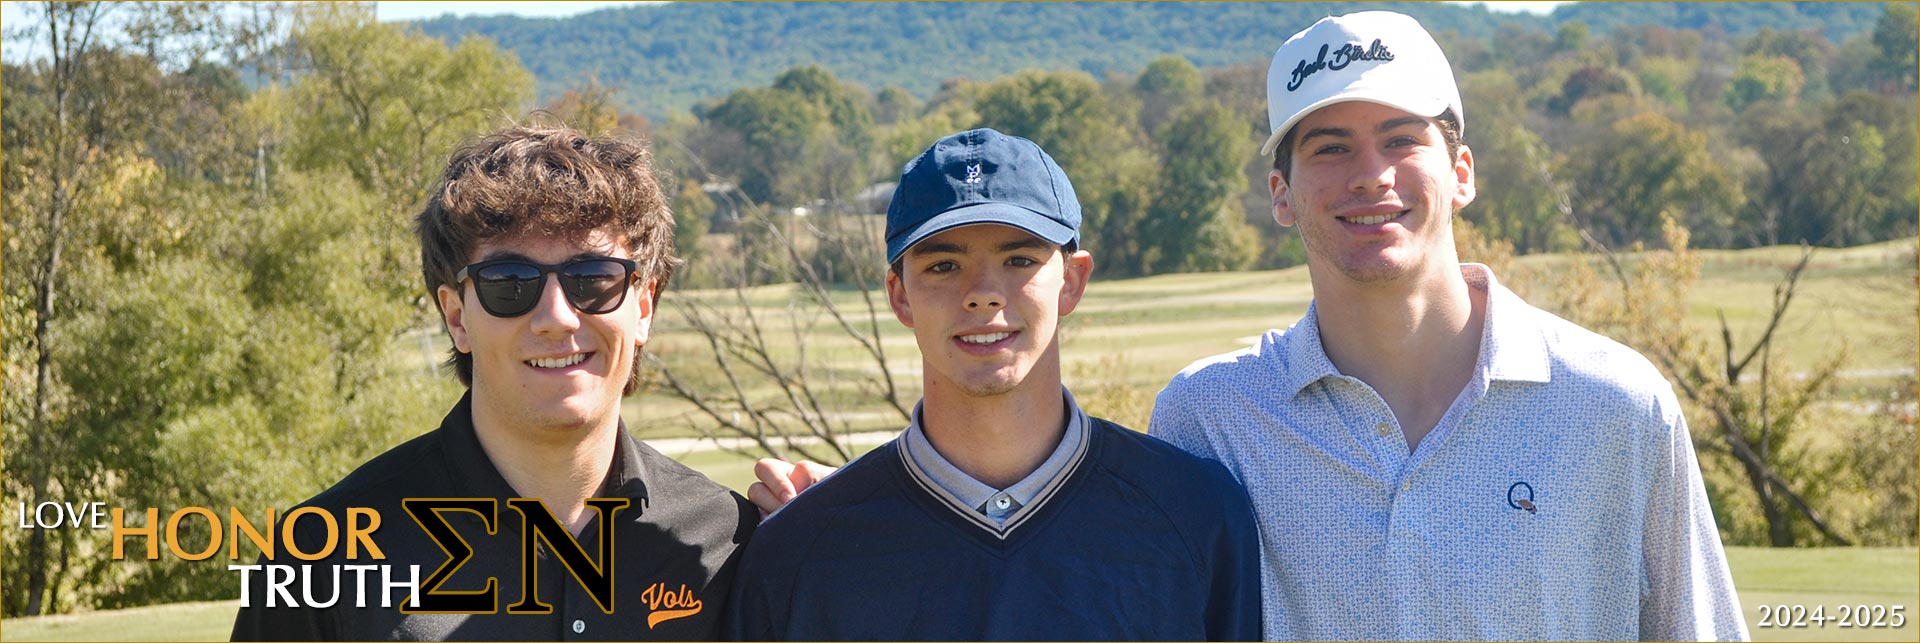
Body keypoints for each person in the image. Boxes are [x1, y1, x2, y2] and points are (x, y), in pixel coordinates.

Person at [1147, 11, 1748, 641]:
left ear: (1461, 174)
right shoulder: (1210, 419)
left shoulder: (1616, 403)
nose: (1371, 174)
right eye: (1330, 147)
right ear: (1281, 194)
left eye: (1402, 140)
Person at [726, 128, 1263, 641]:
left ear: (1072, 280)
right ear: (900, 295)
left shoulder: (1198, 513)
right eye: (943, 265)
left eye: (1019, 259)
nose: (983, 293)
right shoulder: (799, 550)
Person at [231, 125, 757, 640]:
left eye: (594, 278)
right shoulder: (320, 557)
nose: (557, 318)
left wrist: (806, 520)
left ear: (643, 308)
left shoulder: (734, 544)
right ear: (457, 317)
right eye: (510, 284)